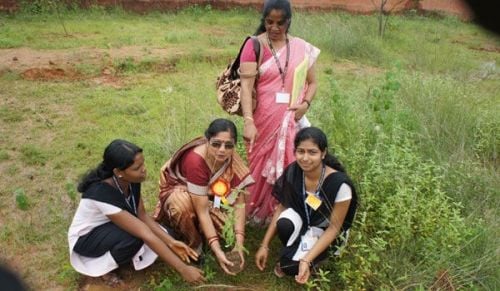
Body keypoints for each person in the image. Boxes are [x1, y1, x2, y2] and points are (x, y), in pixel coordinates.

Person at [68, 139, 205, 286]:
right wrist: (183, 269)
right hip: (87, 239)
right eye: (137, 168)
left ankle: (124, 253)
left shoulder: (131, 180)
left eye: (143, 164)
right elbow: (144, 232)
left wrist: (171, 242)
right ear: (118, 172)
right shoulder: (101, 194)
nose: (144, 169)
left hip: (111, 227)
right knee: (136, 238)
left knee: (167, 234)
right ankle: (103, 269)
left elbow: (142, 216)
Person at [239, 0, 320, 224]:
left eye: (280, 23)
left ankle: (282, 210)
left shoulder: (302, 47)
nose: (274, 28)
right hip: (262, 120)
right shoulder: (254, 45)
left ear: (289, 21)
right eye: (269, 22)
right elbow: (246, 87)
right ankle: (256, 211)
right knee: (258, 164)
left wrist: (305, 104)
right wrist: (248, 121)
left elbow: (313, 83)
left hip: (292, 119)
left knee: (292, 162)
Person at [255, 127, 357, 284]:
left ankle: (314, 259)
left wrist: (305, 260)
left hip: (325, 230)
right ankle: (297, 248)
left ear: (323, 153)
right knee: (284, 223)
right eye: (300, 151)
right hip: (304, 220)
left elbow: (334, 228)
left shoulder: (340, 185)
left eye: (312, 152)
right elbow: (281, 208)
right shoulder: (294, 171)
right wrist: (264, 245)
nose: (305, 158)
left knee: (289, 266)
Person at [153, 119, 254, 275]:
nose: (222, 150)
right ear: (207, 141)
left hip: (209, 197)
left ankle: (204, 232)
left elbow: (239, 202)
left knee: (230, 237)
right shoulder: (196, 161)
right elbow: (203, 211)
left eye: (228, 145)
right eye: (216, 144)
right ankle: (195, 246)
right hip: (181, 192)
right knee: (182, 206)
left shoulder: (231, 157)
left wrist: (239, 244)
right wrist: (217, 250)